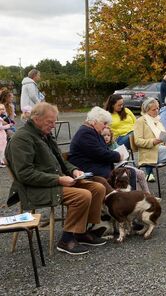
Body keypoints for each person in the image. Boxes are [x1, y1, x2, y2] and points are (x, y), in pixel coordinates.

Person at [5, 102, 107, 255]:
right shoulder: (22, 139)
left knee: (98, 188)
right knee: (83, 195)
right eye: (50, 122)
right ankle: (66, 240)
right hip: (33, 189)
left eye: (54, 122)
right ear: (36, 119)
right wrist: (58, 179)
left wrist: (74, 171)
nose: (53, 126)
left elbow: (61, 160)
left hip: (51, 183)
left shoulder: (43, 135)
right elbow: (25, 174)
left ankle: (80, 231)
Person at [101, 126, 150, 193]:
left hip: (121, 165)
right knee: (130, 174)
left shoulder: (113, 144)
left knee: (140, 173)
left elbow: (123, 152)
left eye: (108, 135)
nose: (106, 137)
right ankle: (134, 195)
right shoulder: (100, 146)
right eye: (104, 135)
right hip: (113, 168)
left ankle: (147, 195)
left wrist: (124, 155)